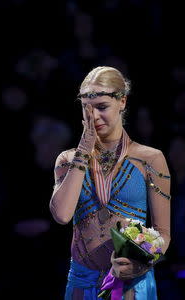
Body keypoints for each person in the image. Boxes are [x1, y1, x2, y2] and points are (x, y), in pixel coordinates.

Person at [49, 66, 171, 299]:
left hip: (132, 283)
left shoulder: (150, 159)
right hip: (82, 282)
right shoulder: (68, 159)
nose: (94, 117)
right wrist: (85, 146)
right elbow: (62, 215)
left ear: (122, 101)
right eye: (87, 109)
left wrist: (144, 261)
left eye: (102, 107)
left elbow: (163, 233)